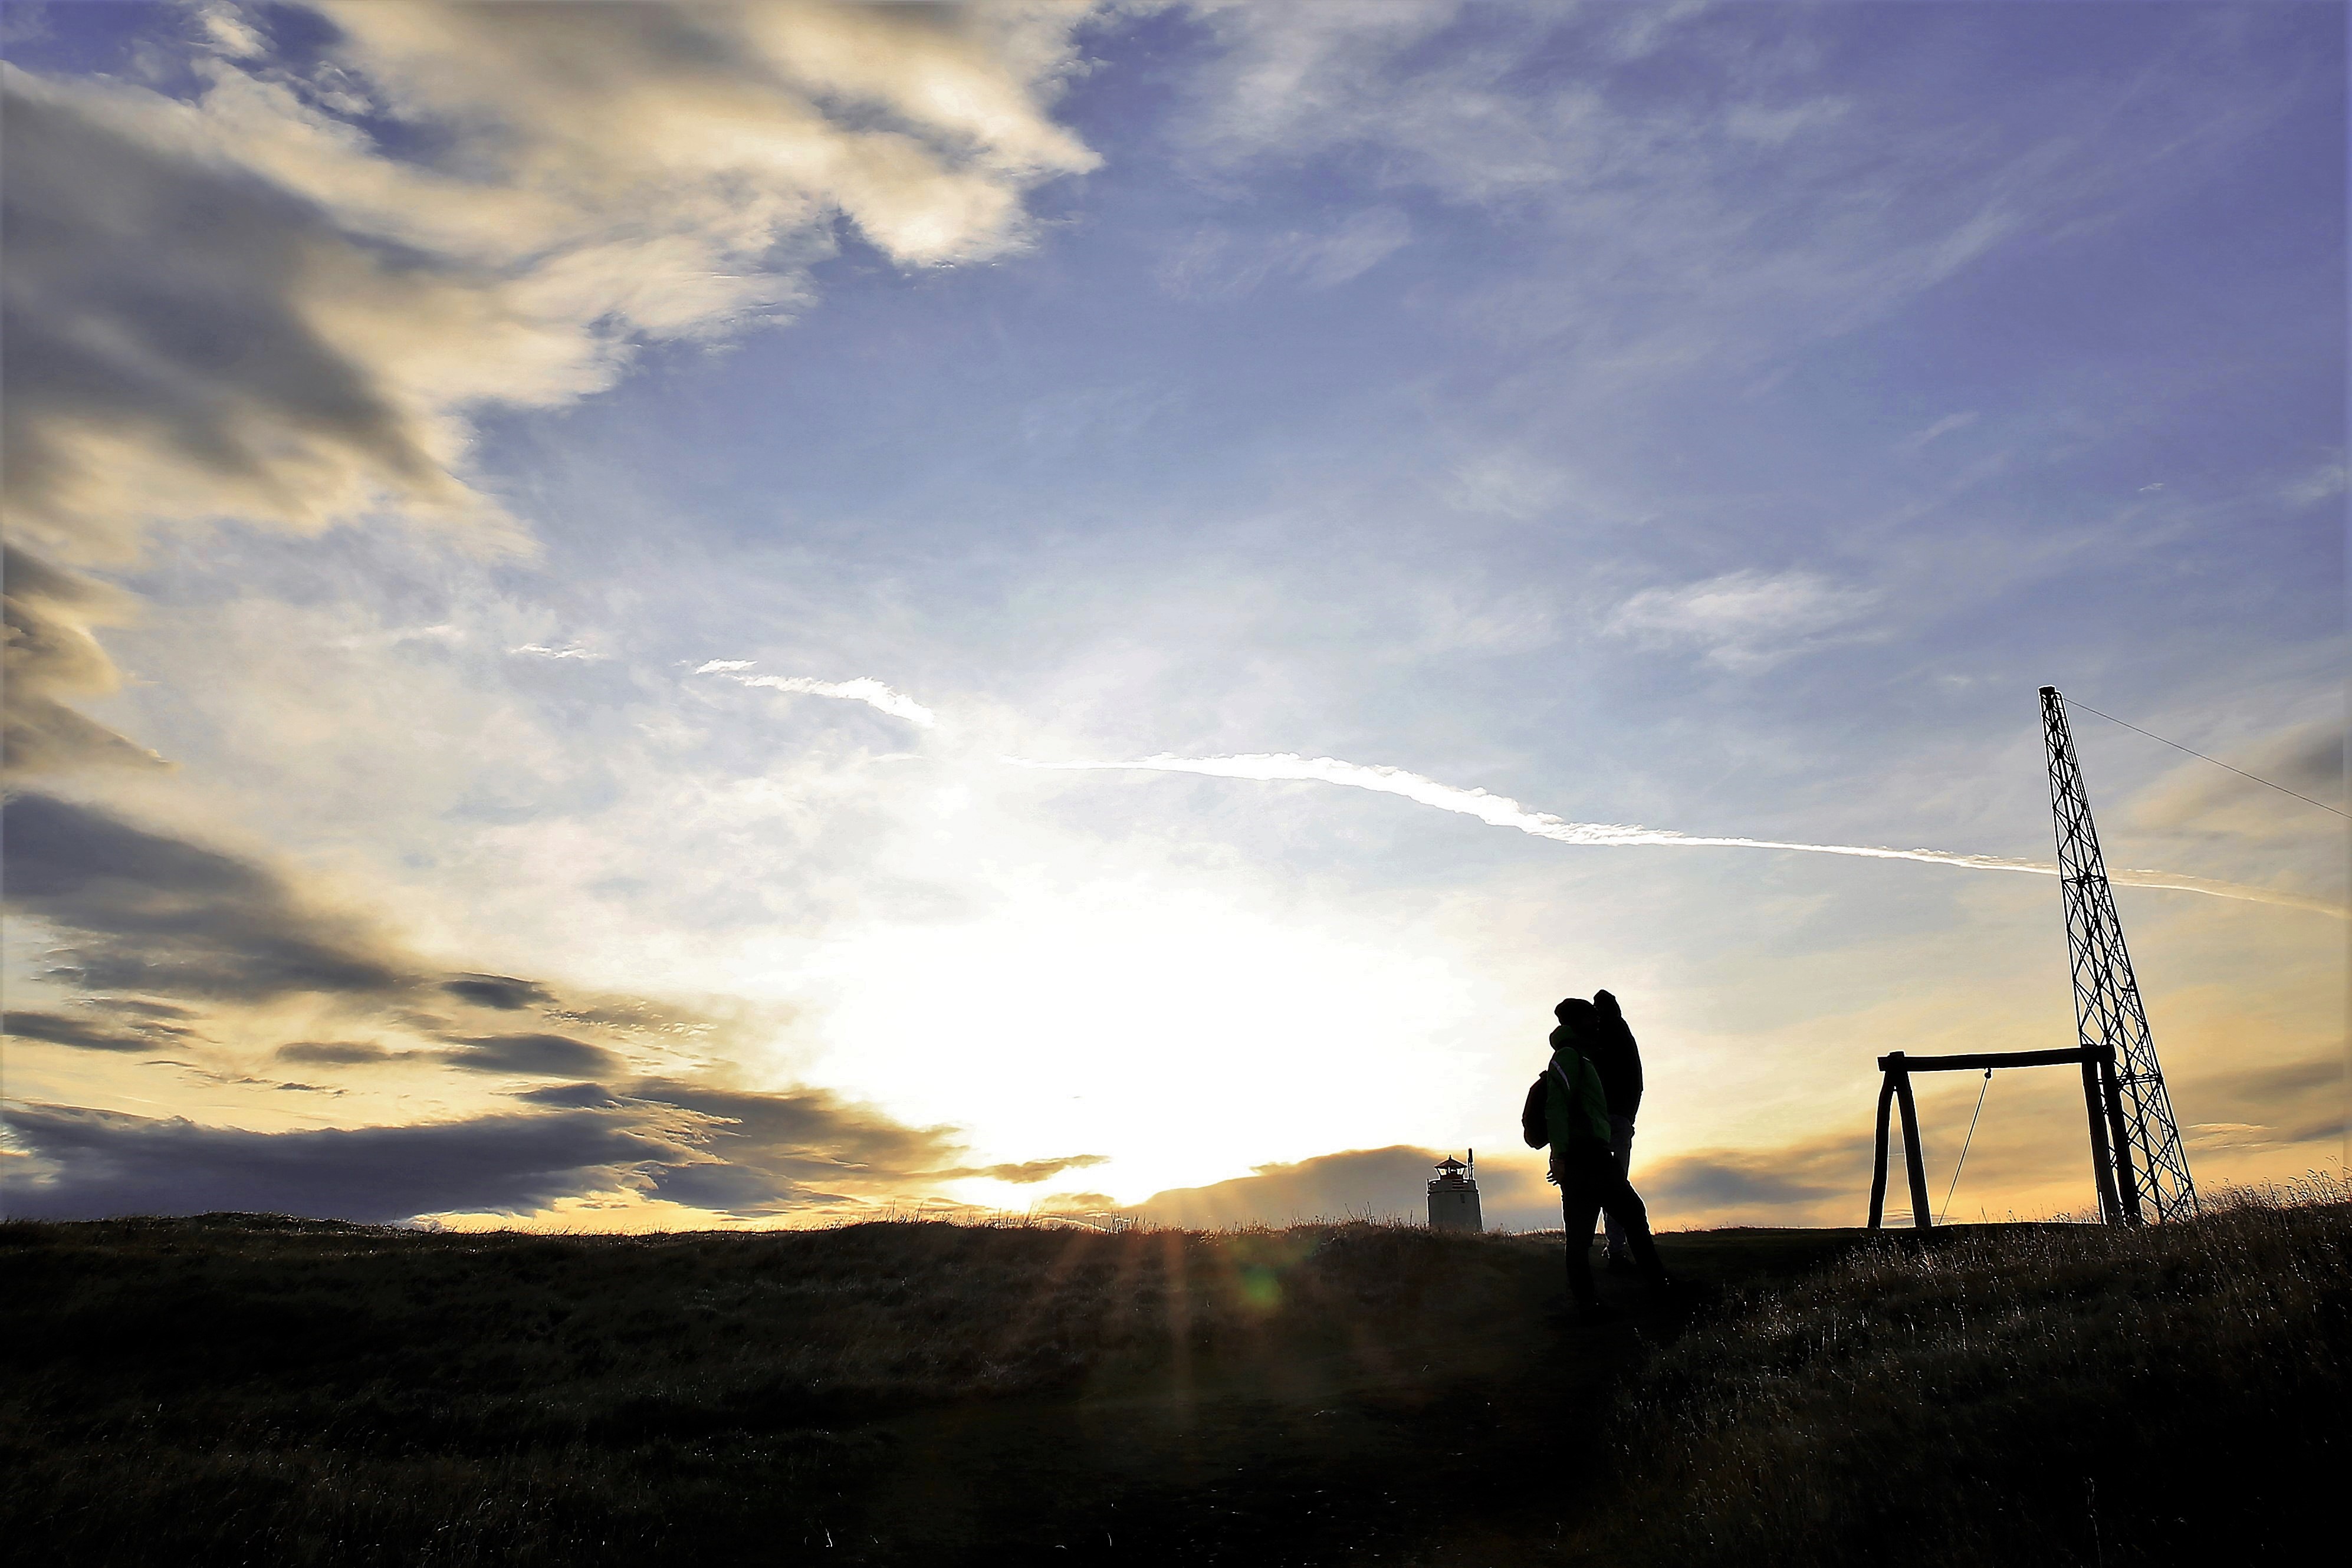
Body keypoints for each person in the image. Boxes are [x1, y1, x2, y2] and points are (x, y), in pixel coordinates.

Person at [1520, 997, 1667, 1320]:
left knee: (1588, 1232)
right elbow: (1557, 1108)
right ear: (1575, 1023)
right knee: (1609, 1224)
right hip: (1585, 1157)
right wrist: (1558, 1156)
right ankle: (1654, 1290)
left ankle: (1595, 1301)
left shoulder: (1581, 1057)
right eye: (1590, 1017)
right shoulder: (1570, 1057)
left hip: (1588, 1156)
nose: (1597, 1021)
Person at [1586, 989, 1644, 1274]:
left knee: (1594, 1184)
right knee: (1617, 1183)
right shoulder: (1626, 1039)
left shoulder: (1596, 1041)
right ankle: (1617, 1247)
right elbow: (1638, 1083)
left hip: (1603, 1121)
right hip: (1622, 1119)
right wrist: (1628, 1114)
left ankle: (1603, 1248)